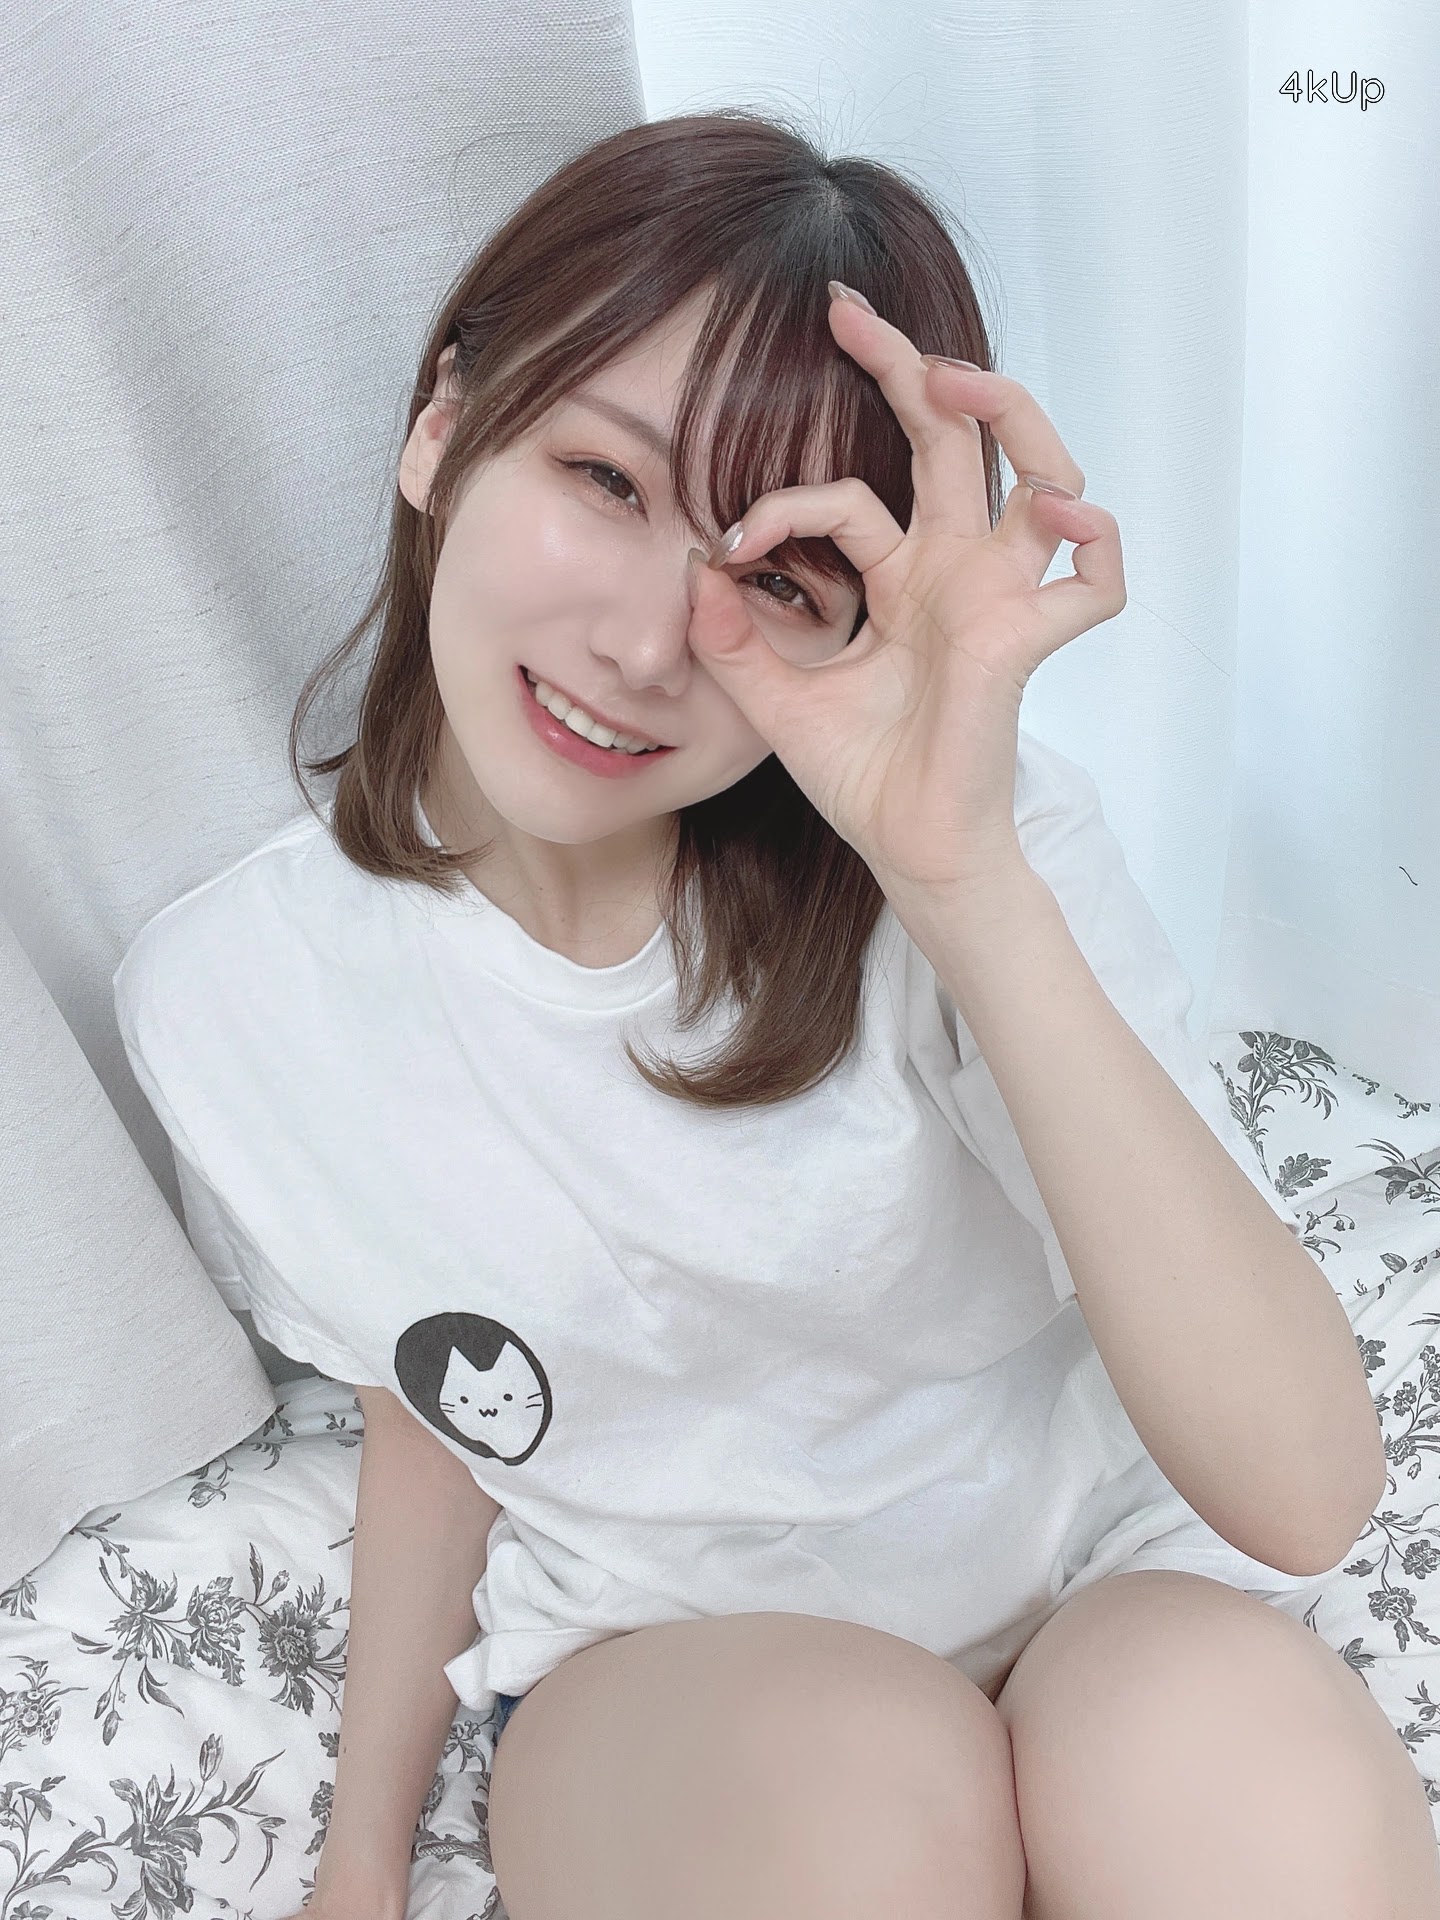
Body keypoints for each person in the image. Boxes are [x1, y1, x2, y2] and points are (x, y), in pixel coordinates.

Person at [113, 108, 1430, 1920]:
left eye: (778, 579)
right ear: (441, 426)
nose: (649, 646)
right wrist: (359, 1862)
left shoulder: (972, 855)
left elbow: (1304, 1490)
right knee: (859, 1818)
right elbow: (437, 1395)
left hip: (1106, 1582)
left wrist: (960, 883)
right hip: (676, 1654)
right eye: (607, 481)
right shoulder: (234, 1002)